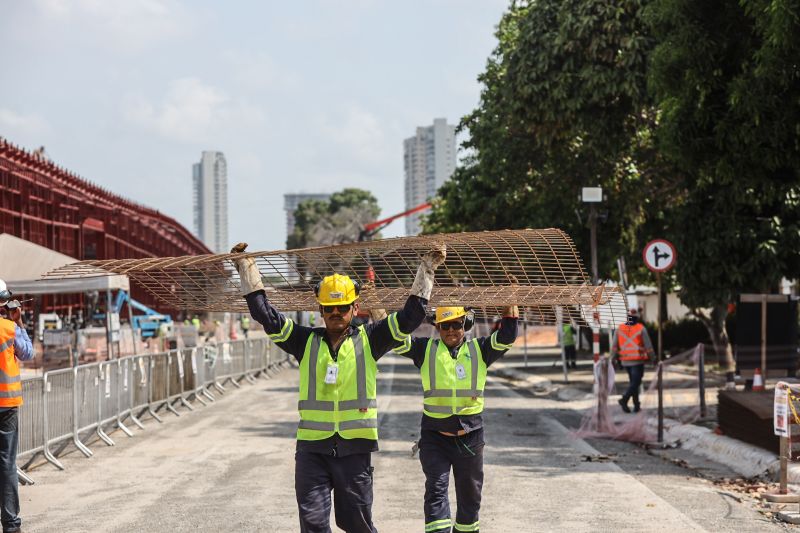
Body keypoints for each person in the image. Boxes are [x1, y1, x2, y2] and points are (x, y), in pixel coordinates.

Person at [232, 242, 445, 533]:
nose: (336, 312)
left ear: (355, 307)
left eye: (342, 307)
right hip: (312, 451)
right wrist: (247, 268)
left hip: (354, 451)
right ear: (320, 309)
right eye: (329, 308)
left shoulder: (371, 339)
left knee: (356, 524)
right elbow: (266, 316)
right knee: (314, 524)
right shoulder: (304, 341)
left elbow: (411, 316)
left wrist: (427, 269)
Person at [394, 305, 519, 533]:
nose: (451, 330)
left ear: (466, 325)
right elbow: (394, 339)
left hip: (470, 437)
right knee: (436, 490)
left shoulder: (480, 349)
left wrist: (510, 307)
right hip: (434, 438)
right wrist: (378, 312)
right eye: (445, 325)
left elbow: (507, 336)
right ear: (437, 327)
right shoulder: (426, 349)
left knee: (470, 495)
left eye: (456, 324)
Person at [0, 281, 34, 533]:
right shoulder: (9, 328)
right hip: (6, 405)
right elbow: (28, 353)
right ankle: (11, 525)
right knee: (6, 465)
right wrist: (19, 321)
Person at [611, 308, 654, 413]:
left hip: (625, 361)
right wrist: (653, 358)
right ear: (637, 317)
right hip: (637, 361)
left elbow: (614, 346)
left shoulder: (619, 329)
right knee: (636, 382)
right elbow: (648, 346)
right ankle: (624, 399)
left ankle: (636, 405)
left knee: (633, 383)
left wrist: (613, 359)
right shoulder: (641, 328)